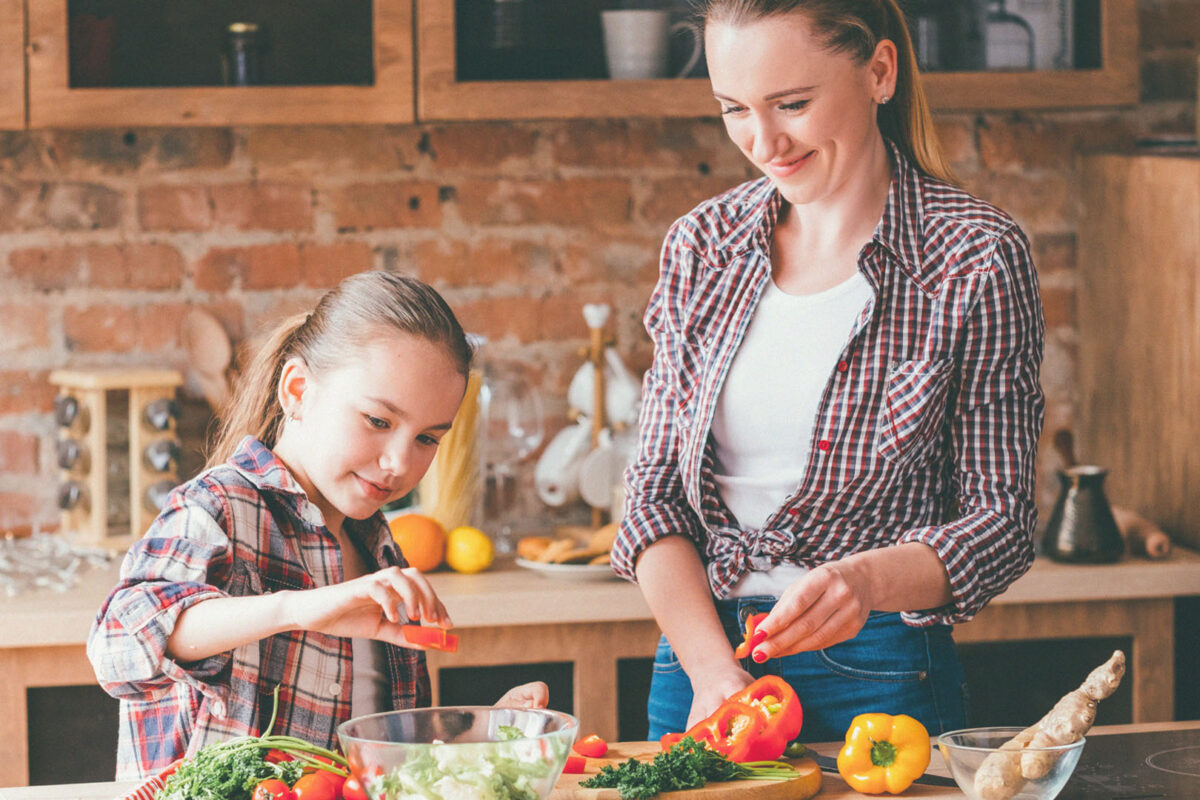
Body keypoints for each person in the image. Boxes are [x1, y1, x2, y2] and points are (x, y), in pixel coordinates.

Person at [612, 0, 1045, 743]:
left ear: (879, 71)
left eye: (793, 104)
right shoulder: (701, 246)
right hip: (698, 657)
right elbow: (651, 498)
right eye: (734, 109)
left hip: (879, 663)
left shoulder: (974, 257)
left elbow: (999, 521)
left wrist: (863, 580)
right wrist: (714, 670)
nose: (764, 140)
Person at [88, 271, 547, 780]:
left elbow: (373, 763)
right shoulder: (219, 507)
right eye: (378, 421)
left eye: (427, 439)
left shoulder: (377, 545)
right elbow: (116, 647)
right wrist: (299, 608)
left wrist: (480, 736)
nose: (399, 463)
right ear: (299, 390)